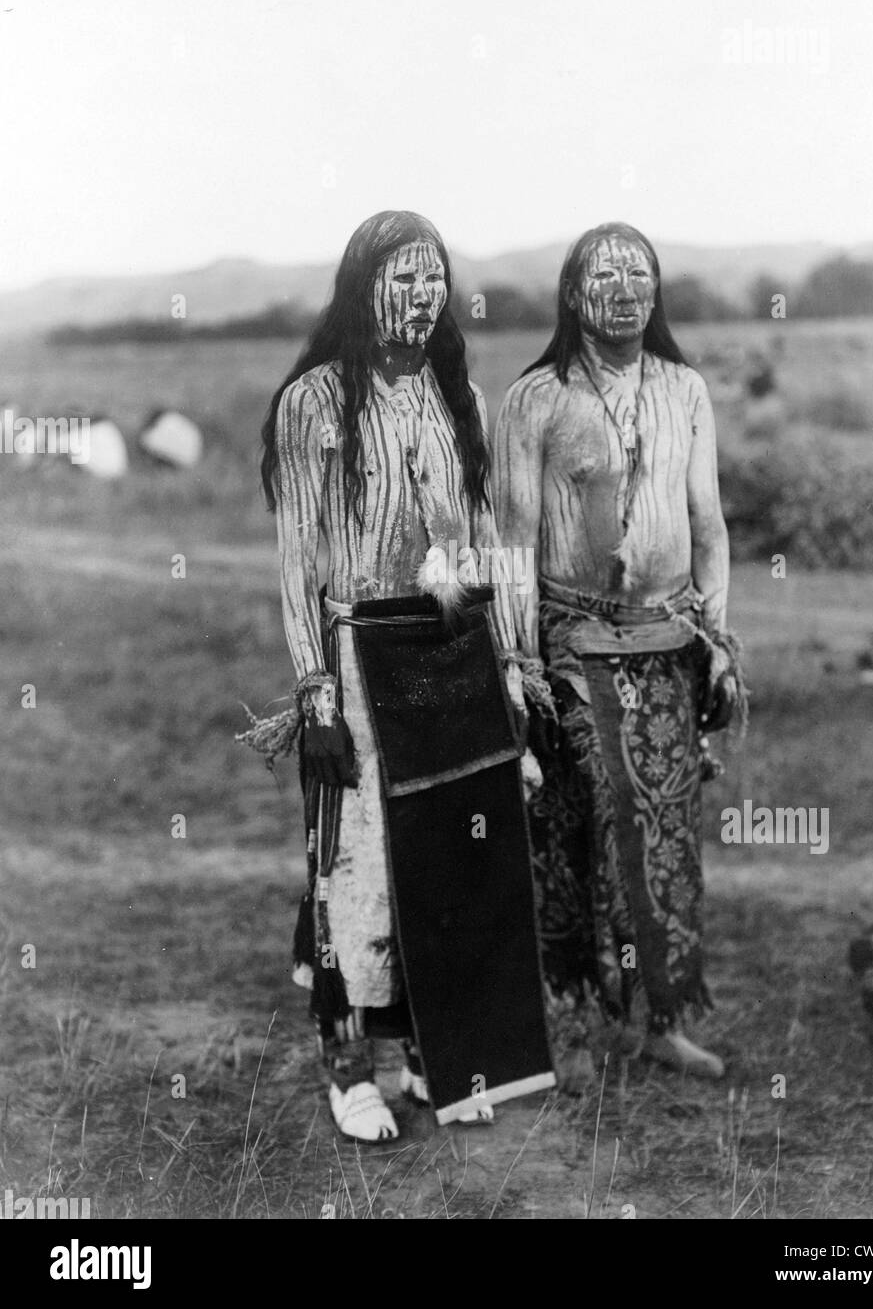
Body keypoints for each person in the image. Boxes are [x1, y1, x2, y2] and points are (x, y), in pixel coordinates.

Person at [257, 210, 554, 1141]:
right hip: (356, 655)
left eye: (435, 280)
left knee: (440, 856)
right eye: (403, 279)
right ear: (362, 287)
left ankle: (428, 1049)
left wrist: (508, 660)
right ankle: (350, 1066)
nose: (422, 298)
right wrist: (315, 697)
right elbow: (298, 560)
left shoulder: (446, 389)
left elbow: (481, 541)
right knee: (354, 867)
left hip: (445, 650)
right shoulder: (314, 400)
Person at [493, 222, 745, 1079]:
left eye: (640, 272)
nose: (625, 286)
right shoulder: (535, 400)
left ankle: (658, 1020)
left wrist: (718, 639)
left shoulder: (685, 390)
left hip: (670, 642)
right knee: (586, 828)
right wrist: (518, 668)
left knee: (667, 834)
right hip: (573, 646)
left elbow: (709, 528)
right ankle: (574, 1021)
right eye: (605, 274)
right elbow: (513, 548)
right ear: (573, 295)